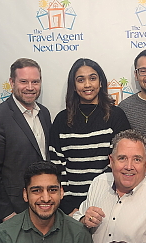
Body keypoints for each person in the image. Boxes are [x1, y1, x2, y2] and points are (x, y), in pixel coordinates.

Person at [49, 58, 130, 215]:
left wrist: (103, 200)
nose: (87, 85)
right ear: (73, 86)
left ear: (100, 82)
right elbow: (56, 165)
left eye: (92, 78)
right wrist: (69, 207)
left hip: (110, 205)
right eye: (81, 80)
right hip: (71, 208)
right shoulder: (61, 120)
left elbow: (123, 161)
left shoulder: (116, 116)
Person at [0, 58, 51, 223]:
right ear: (12, 82)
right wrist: (5, 213)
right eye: (23, 81)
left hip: (43, 207)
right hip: (13, 211)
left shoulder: (44, 113)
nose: (30, 87)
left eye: (35, 82)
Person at [0, 161, 94, 243]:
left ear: (61, 192)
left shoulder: (80, 234)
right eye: (37, 191)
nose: (46, 198)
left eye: (52, 190)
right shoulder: (3, 235)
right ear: (25, 194)